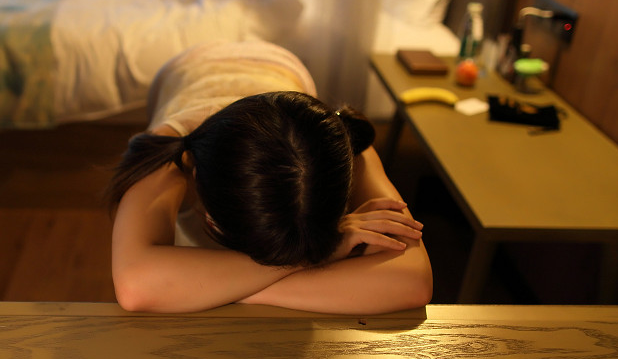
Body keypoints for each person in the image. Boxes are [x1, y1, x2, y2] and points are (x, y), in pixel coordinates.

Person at [107, 40, 432, 314]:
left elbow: (413, 280)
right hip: (189, 67)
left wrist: (222, 290)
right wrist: (312, 258)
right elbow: (136, 285)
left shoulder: (339, 143)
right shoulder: (167, 154)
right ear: (210, 216)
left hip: (280, 68)